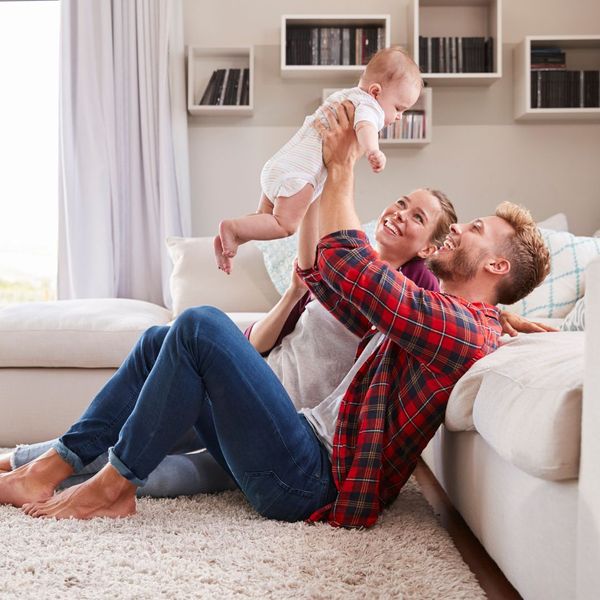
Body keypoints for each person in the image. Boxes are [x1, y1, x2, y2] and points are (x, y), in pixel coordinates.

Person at [0, 101, 550, 528]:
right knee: (157, 340)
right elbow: (383, 292)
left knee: (200, 325)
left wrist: (342, 167)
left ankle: (110, 487)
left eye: (474, 230)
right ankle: (51, 466)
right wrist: (509, 321)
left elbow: (356, 272)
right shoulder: (458, 319)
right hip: (292, 438)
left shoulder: (459, 325)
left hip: (310, 480)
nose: (460, 230)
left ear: (497, 264)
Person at [0, 185, 457, 493]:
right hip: (247, 392)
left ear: (429, 249)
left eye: (417, 217)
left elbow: (453, 314)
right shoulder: (341, 265)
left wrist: (503, 318)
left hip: (281, 432)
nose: (399, 214)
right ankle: (26, 462)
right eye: (401, 203)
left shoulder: (409, 299)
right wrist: (299, 288)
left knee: (164, 472)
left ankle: (50, 474)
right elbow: (258, 344)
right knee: (155, 362)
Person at [213, 46, 422, 274]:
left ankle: (230, 238)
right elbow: (366, 126)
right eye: (399, 108)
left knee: (264, 219)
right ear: (375, 92)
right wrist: (373, 150)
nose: (399, 116)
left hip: (279, 165)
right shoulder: (369, 106)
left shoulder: (343, 96)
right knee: (284, 225)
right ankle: (232, 228)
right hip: (299, 175)